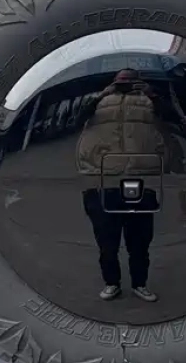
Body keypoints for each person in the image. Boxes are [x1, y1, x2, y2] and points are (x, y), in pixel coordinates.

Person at [75, 69, 178, 303]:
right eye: (121, 83)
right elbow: (77, 120)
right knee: (106, 242)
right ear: (113, 83)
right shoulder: (100, 101)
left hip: (140, 179)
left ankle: (140, 284)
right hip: (102, 179)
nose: (126, 87)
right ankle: (112, 283)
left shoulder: (149, 101)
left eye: (131, 83)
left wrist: (152, 95)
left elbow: (173, 119)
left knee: (140, 242)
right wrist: (102, 95)